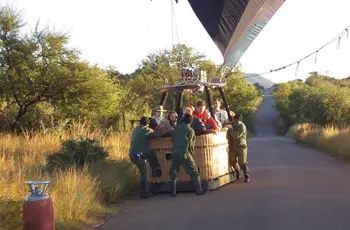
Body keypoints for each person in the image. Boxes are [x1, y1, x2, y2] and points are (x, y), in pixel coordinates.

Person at [169, 113, 207, 196]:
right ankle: (199, 190)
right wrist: (191, 151)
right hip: (184, 153)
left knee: (173, 171)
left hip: (175, 152)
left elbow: (172, 139)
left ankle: (172, 192)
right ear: (191, 121)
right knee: (194, 172)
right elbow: (191, 144)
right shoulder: (190, 130)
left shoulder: (176, 128)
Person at [128, 116, 164, 199]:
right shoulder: (146, 130)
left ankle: (155, 169)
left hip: (133, 154)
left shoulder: (136, 129)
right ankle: (144, 193)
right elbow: (158, 134)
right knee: (144, 173)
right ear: (147, 124)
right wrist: (158, 128)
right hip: (138, 155)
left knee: (151, 153)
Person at [228, 114, 250, 183]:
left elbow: (236, 135)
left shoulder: (242, 126)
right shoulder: (234, 125)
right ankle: (237, 171)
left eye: (235, 120)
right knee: (232, 161)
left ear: (238, 120)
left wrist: (230, 128)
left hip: (241, 146)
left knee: (242, 162)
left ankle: (247, 176)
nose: (234, 121)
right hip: (234, 147)